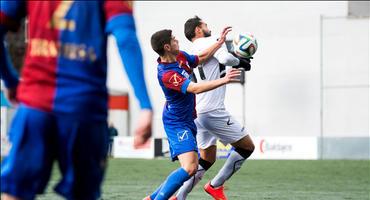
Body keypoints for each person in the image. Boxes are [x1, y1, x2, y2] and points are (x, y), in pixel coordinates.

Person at [0, 1, 153, 200]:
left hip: (35, 105)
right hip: (84, 109)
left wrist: (11, 80)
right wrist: (145, 105)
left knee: (15, 192)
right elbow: (125, 38)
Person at [144, 27, 241, 200]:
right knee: (189, 168)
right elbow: (194, 88)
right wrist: (224, 79)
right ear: (166, 47)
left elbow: (201, 58)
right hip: (176, 122)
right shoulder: (168, 74)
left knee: (192, 167)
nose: (177, 40)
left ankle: (151, 198)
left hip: (188, 119)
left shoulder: (180, 55)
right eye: (173, 39)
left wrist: (218, 44)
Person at [172, 16, 255, 200]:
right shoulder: (211, 41)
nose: (209, 27)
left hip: (197, 111)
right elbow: (225, 57)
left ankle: (179, 196)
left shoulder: (190, 50)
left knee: (207, 159)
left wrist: (238, 61)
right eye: (205, 25)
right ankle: (215, 185)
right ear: (198, 30)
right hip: (212, 110)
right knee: (247, 147)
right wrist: (240, 61)